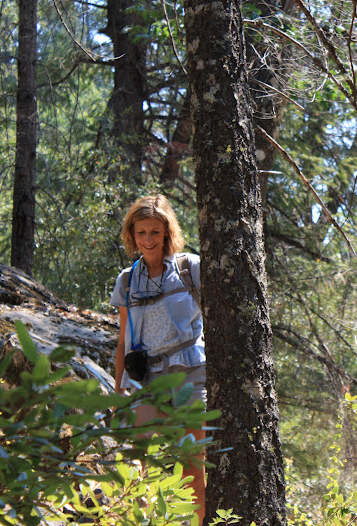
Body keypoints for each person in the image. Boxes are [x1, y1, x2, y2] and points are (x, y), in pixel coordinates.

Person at [110, 194, 206, 523]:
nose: (148, 240)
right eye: (141, 233)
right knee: (135, 464)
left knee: (192, 464)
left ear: (167, 232)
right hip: (144, 381)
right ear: (131, 235)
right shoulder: (126, 280)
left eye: (155, 232)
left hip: (189, 378)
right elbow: (123, 339)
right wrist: (117, 392)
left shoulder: (189, 268)